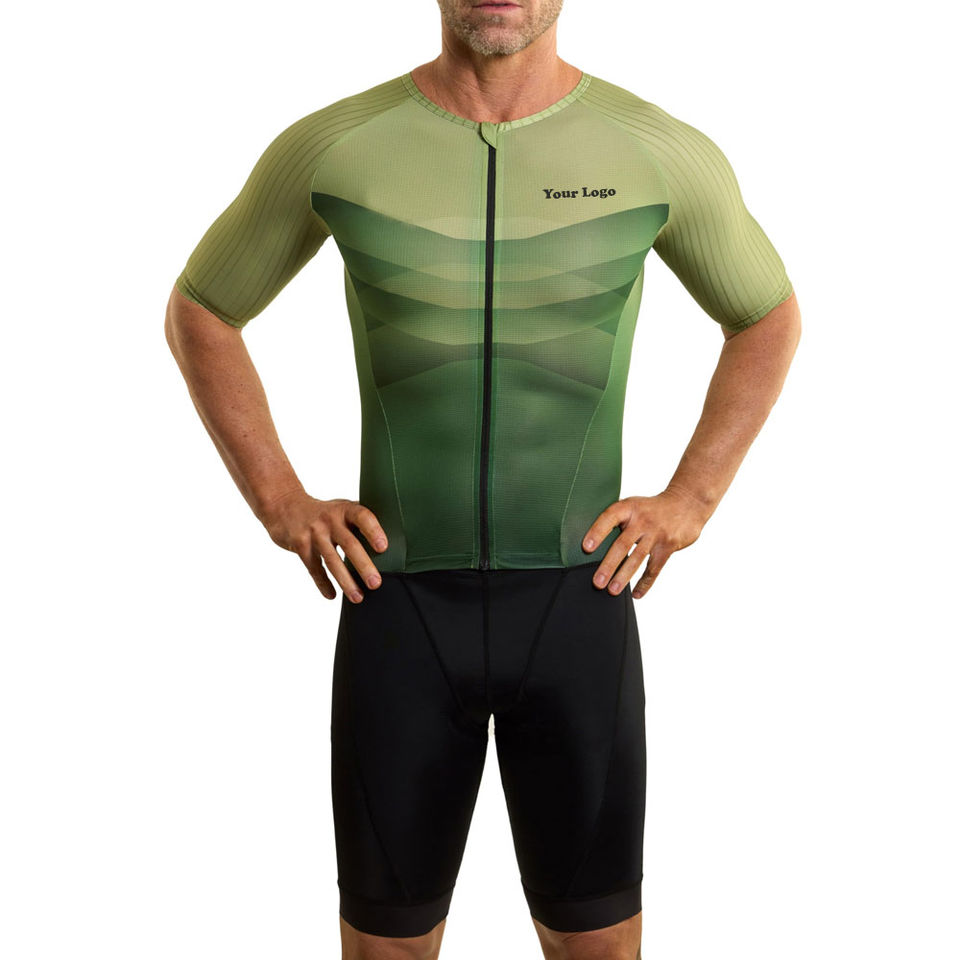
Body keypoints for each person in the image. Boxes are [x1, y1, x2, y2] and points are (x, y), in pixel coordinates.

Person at [165, 0, 801, 956]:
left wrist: (692, 498)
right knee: (385, 946)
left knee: (598, 944)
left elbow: (765, 316)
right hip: (397, 610)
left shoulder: (656, 150)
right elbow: (203, 311)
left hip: (579, 603)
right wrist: (281, 503)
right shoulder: (336, 146)